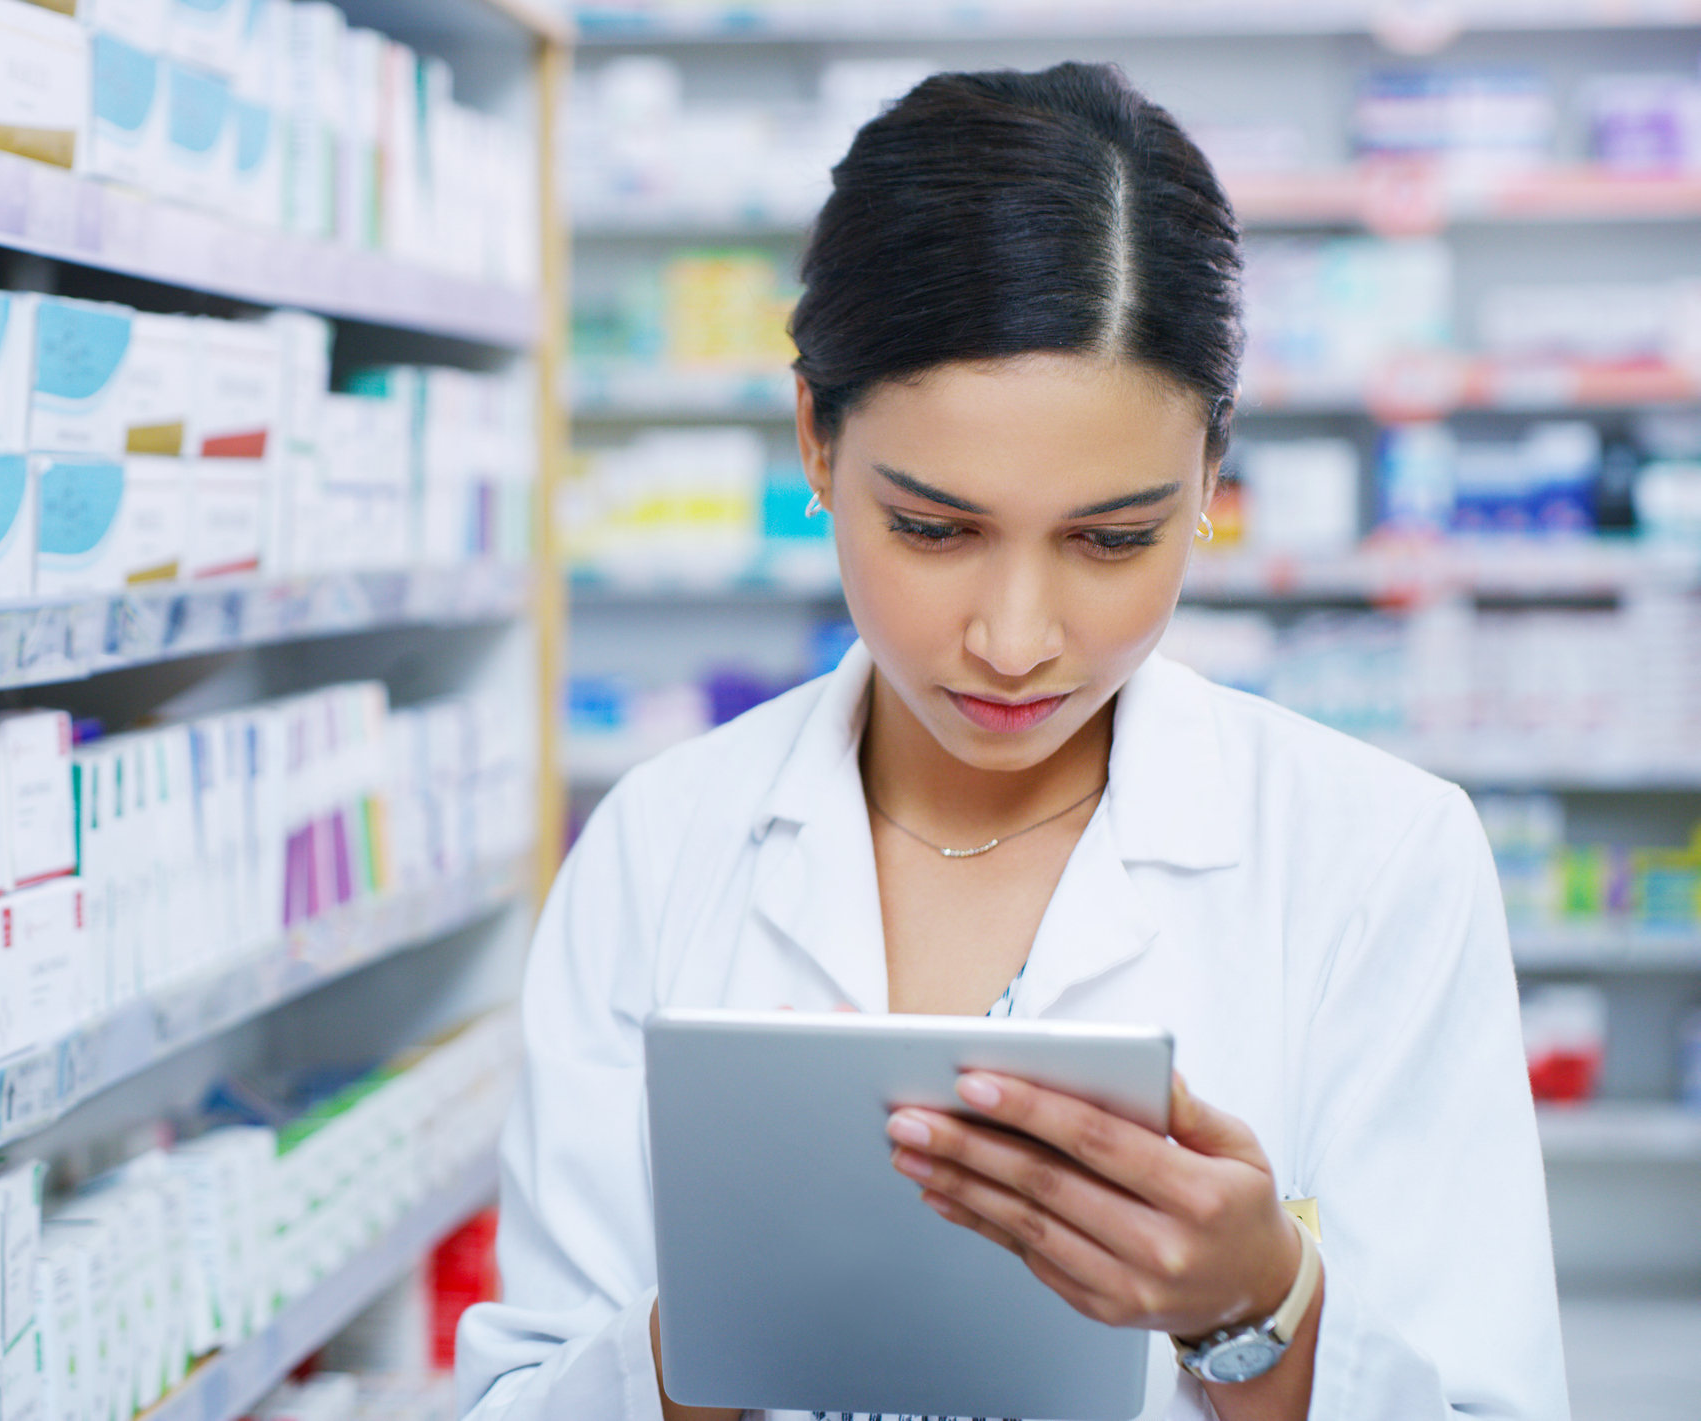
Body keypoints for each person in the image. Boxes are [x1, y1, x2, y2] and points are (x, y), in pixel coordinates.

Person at [457, 63, 1565, 1421]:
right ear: (815, 439)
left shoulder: (1376, 855)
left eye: (1111, 538)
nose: (1013, 636)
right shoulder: (661, 840)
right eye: (934, 528)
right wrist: (705, 1346)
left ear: (1211, 480)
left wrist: (1261, 1312)